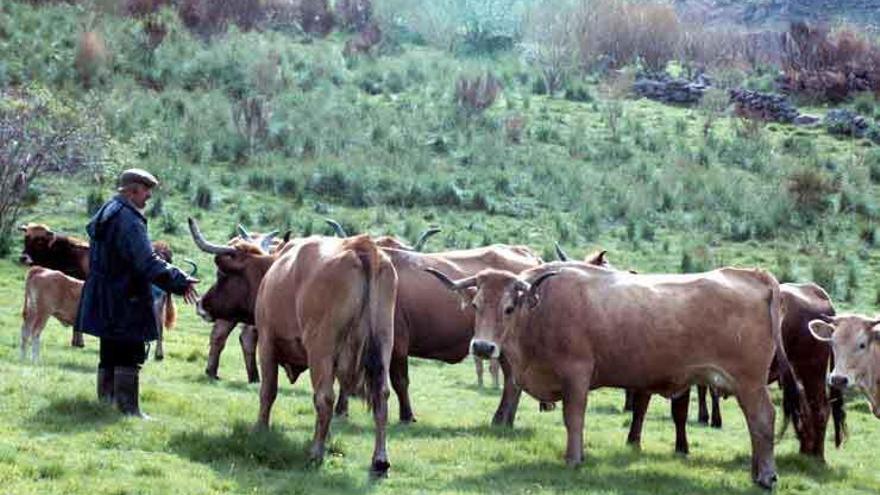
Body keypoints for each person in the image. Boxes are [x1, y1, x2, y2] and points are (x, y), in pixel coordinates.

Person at [75, 168, 199, 418]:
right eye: (146, 191)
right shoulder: (128, 219)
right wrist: (179, 280)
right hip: (125, 296)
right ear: (132, 191)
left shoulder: (108, 211)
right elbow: (146, 261)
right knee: (129, 352)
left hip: (106, 294)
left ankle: (105, 406)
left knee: (110, 351)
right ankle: (128, 410)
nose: (149, 197)